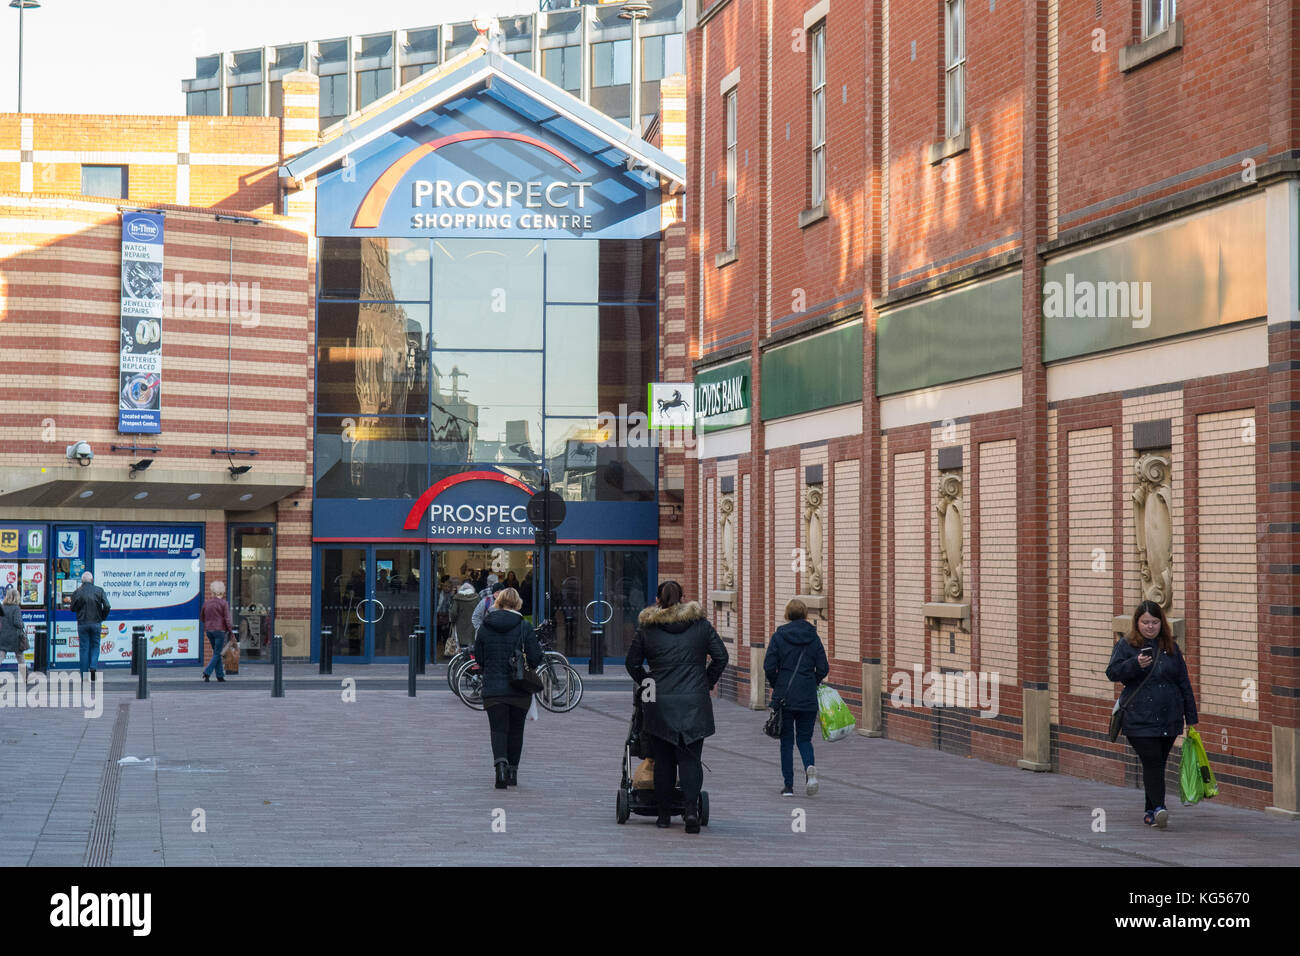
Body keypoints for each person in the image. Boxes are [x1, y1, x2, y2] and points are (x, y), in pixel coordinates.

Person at [625, 581, 728, 833]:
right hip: (694, 702)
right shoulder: (702, 626)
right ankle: (690, 812)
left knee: (663, 760)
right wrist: (706, 681)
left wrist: (647, 681)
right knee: (691, 759)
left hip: (660, 702)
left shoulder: (648, 629)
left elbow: (632, 663)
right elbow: (721, 656)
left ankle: (663, 815)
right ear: (683, 597)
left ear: (657, 599)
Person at [1105, 600, 1198, 829]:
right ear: (1137, 623)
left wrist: (1191, 718)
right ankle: (1159, 808)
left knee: (1157, 763)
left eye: (1154, 622)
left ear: (1161, 623)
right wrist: (1135, 664)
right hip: (1138, 717)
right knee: (1153, 761)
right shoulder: (1127, 645)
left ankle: (1150, 811)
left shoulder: (1171, 648)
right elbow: (1112, 672)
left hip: (1169, 717)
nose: (1150, 627)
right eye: (1145, 622)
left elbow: (1183, 682)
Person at [472, 588, 542, 788]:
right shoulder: (524, 626)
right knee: (516, 731)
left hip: (493, 689)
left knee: (498, 729)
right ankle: (512, 772)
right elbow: (536, 656)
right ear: (517, 603)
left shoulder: (486, 625)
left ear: (499, 602)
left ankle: (500, 764)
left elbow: (479, 658)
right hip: (519, 688)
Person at [764, 599, 830, 797]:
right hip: (808, 696)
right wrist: (812, 681)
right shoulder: (813, 637)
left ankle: (788, 786)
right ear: (804, 614)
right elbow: (823, 668)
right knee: (804, 739)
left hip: (785, 697)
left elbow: (768, 666)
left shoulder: (779, 636)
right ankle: (810, 768)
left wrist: (777, 683)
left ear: (787, 614)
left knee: (786, 741)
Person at [70, 571, 111, 682]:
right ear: (92, 580)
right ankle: (93, 667)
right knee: (95, 646)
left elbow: (72, 608)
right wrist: (102, 616)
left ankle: (84, 675)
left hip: (82, 623)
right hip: (96, 623)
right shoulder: (99, 590)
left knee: (84, 648)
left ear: (82, 581)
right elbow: (107, 606)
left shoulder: (77, 592)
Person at [201, 581, 233, 683]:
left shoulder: (206, 603)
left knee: (216, 653)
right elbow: (227, 619)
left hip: (209, 630)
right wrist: (230, 631)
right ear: (222, 591)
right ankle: (207, 672)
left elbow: (202, 617)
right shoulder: (224, 603)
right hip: (220, 630)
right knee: (217, 653)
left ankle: (220, 676)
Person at [0, 587, 26, 683]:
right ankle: (25, 678)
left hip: (3, 636)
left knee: (1, 656)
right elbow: (18, 623)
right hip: (15, 637)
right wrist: (22, 625)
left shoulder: (2, 607)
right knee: (20, 658)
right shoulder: (16, 608)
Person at [449, 580, 480, 650]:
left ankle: (463, 658)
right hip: (473, 625)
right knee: (472, 645)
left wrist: (453, 622)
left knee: (462, 646)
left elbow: (453, 612)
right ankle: (470, 659)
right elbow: (480, 612)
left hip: (460, 625)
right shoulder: (477, 598)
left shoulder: (457, 598)